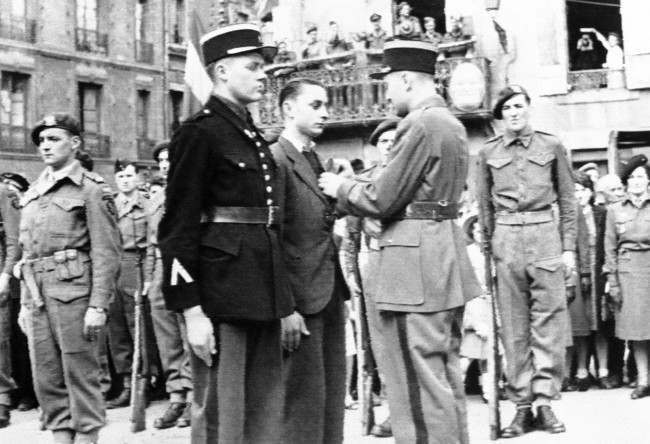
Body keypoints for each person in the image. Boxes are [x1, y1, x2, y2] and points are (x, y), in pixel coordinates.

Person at [319, 39, 481, 444]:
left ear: (407, 79)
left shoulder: (420, 123)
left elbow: (383, 197)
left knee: (416, 376)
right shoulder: (450, 123)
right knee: (441, 374)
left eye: (388, 82)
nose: (386, 92)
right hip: (440, 253)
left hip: (414, 264)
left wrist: (340, 186)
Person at [158, 24, 293, 443]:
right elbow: (177, 227)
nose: (263, 76)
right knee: (221, 413)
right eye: (252, 67)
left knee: (264, 411)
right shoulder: (199, 133)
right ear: (220, 72)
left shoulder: (250, 134)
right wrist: (192, 311)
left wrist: (284, 298)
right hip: (221, 294)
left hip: (262, 287)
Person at [476, 85, 577, 437]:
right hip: (505, 238)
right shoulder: (487, 152)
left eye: (519, 106)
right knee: (515, 326)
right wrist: (488, 251)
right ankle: (521, 406)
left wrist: (568, 249)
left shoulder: (551, 145)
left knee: (548, 323)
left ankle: (545, 402)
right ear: (500, 115)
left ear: (528, 108)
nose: (514, 113)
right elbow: (484, 207)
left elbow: (568, 201)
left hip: (544, 234)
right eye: (507, 109)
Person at [17, 113, 121, 444]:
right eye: (41, 141)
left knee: (81, 374)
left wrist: (98, 306)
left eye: (53, 139)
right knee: (46, 377)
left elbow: (107, 251)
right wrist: (24, 304)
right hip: (37, 298)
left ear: (74, 143)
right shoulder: (33, 191)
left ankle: (88, 437)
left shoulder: (91, 189)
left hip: (74, 294)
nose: (45, 146)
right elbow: (26, 254)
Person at [270, 78, 348, 444]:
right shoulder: (276, 159)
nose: (326, 112)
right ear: (288, 109)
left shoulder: (312, 157)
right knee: (301, 402)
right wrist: (285, 306)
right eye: (315, 105)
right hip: (300, 299)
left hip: (327, 289)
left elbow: (316, 220)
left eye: (326, 104)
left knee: (330, 395)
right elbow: (272, 238)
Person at [339, 118, 399, 438]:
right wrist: (351, 276)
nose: (390, 145)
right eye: (384, 141)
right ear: (376, 147)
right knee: (381, 341)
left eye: (395, 139)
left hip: (410, 262)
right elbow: (351, 236)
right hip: (375, 261)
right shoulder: (363, 182)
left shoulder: (413, 176)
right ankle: (392, 409)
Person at [146, 142, 193, 429]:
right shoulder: (155, 198)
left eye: (170, 159)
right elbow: (151, 243)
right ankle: (176, 394)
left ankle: (194, 395)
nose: (165, 165)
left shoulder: (190, 191)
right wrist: (150, 278)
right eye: (161, 161)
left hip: (185, 265)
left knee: (188, 332)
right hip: (162, 266)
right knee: (167, 336)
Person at [105, 159, 153, 409]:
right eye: (121, 176)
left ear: (138, 178)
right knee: (117, 328)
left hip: (136, 264)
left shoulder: (146, 203)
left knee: (138, 327)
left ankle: (143, 383)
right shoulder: (109, 204)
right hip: (114, 267)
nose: (125, 180)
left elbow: (152, 243)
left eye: (129, 175)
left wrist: (148, 276)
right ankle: (125, 384)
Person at [604, 154, 650, 399]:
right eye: (631, 178)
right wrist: (613, 283)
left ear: (648, 180)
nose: (636, 182)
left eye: (640, 177)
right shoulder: (615, 210)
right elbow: (609, 248)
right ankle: (643, 380)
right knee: (637, 330)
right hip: (629, 273)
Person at [593, 174, 626, 388]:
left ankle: (629, 370)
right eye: (614, 190)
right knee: (610, 324)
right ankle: (612, 371)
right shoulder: (601, 214)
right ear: (603, 194)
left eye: (620, 188)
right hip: (606, 273)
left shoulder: (627, 210)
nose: (620, 192)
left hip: (630, 270)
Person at [564, 171, 595, 392]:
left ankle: (582, 370)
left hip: (571, 267)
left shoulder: (572, 207)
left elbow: (583, 241)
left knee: (579, 325)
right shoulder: (546, 203)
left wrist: (584, 272)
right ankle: (564, 373)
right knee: (560, 326)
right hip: (549, 269)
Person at [459, 215, 491, 402]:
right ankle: (456, 389)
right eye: (477, 231)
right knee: (468, 352)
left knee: (488, 353)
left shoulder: (491, 253)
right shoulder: (468, 253)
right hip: (474, 302)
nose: (480, 235)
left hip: (490, 303)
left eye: (484, 231)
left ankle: (489, 390)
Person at [0, 172, 22, 427]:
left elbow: (14, 240)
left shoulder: (4, 192)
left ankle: (3, 399)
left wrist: (6, 274)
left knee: (0, 339)